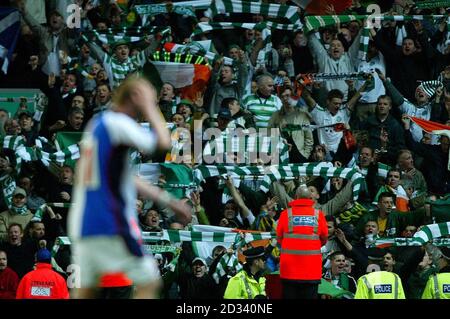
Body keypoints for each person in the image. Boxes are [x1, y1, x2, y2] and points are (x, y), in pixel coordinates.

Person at [68, 76, 192, 299]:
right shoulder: (118, 123)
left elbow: (127, 177)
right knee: (150, 281)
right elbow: (163, 144)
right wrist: (150, 107)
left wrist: (169, 201)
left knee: (85, 291)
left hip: (83, 221)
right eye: (149, 98)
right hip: (109, 220)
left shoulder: (97, 125)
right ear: (135, 97)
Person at [276, 186, 328, 299]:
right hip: (311, 272)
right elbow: (324, 239)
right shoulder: (318, 215)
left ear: (296, 197)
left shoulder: (285, 214)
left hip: (289, 272)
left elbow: (279, 238)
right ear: (310, 198)